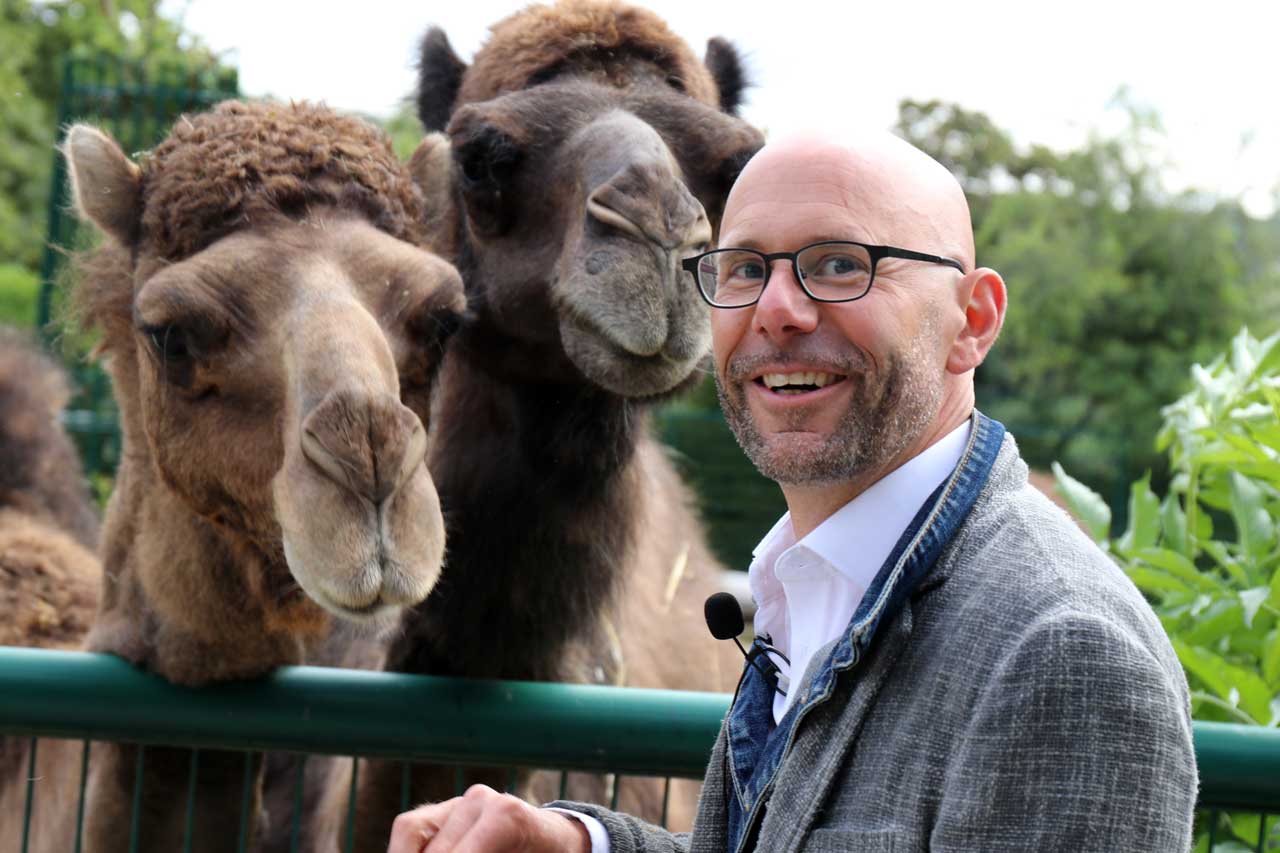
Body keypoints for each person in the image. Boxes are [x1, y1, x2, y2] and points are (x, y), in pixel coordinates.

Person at [388, 132, 1198, 852]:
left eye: (840, 264)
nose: (775, 310)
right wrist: (577, 843)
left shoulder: (1063, 652)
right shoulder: (817, 576)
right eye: (744, 268)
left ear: (972, 320)